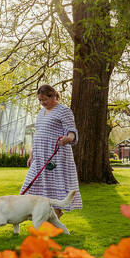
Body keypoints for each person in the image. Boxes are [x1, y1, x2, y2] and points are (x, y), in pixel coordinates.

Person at [21, 85, 82, 217]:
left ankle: (56, 216)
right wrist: (32, 155)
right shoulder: (40, 113)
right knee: (31, 183)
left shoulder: (63, 110)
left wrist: (68, 138)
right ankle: (34, 215)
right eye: (40, 100)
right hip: (39, 154)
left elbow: (71, 129)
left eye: (44, 100)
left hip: (56, 155)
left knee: (54, 186)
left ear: (53, 96)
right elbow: (37, 134)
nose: (42, 103)